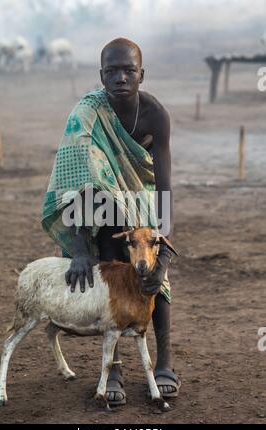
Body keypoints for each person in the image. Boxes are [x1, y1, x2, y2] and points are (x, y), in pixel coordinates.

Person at [42, 37, 180, 406]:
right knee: (110, 274)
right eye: (112, 71)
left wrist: (162, 255)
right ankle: (114, 369)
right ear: (101, 76)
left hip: (142, 200)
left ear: (141, 75)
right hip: (97, 208)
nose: (121, 77)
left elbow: (163, 189)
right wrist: (79, 250)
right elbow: (72, 180)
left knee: (153, 277)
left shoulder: (155, 115)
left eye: (128, 71)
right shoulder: (86, 113)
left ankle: (165, 362)